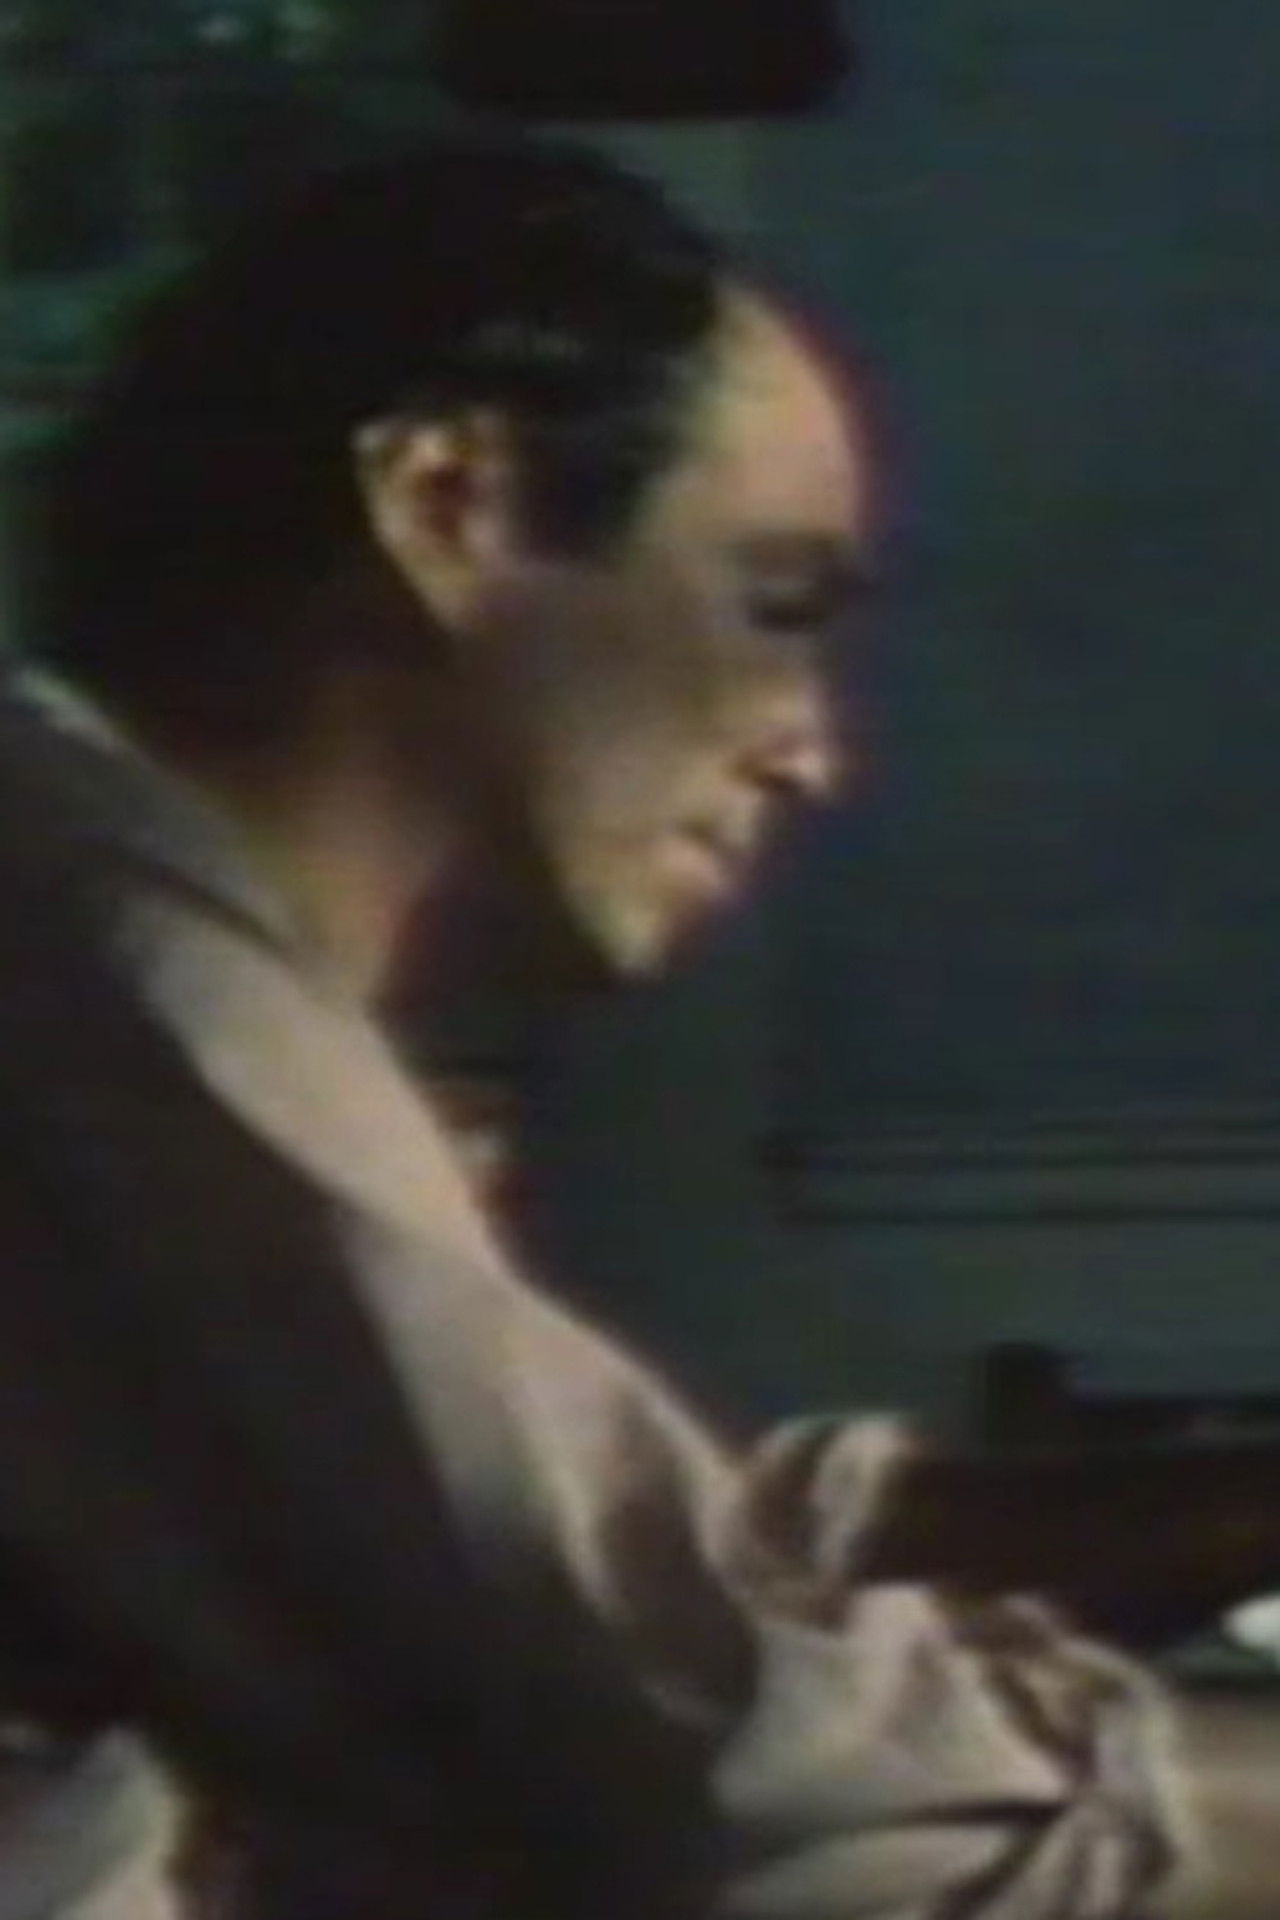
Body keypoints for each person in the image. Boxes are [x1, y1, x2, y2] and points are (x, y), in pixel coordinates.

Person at [0, 135, 1182, 1917]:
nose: (813, 750)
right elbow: (711, 1796)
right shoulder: (105, 977)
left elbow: (533, 1545)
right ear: (447, 503)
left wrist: (1189, 1510)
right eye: (774, 610)